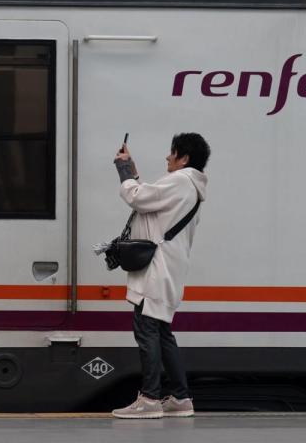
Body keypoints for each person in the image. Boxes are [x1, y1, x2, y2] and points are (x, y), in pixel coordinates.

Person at [110, 133, 210, 419]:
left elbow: (138, 198)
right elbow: (152, 199)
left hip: (157, 270)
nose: (167, 157)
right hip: (170, 269)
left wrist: (124, 172)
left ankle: (149, 399)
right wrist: (130, 169)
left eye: (172, 152)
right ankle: (180, 398)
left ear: (184, 158)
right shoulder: (191, 187)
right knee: (162, 334)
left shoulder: (180, 181)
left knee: (146, 331)